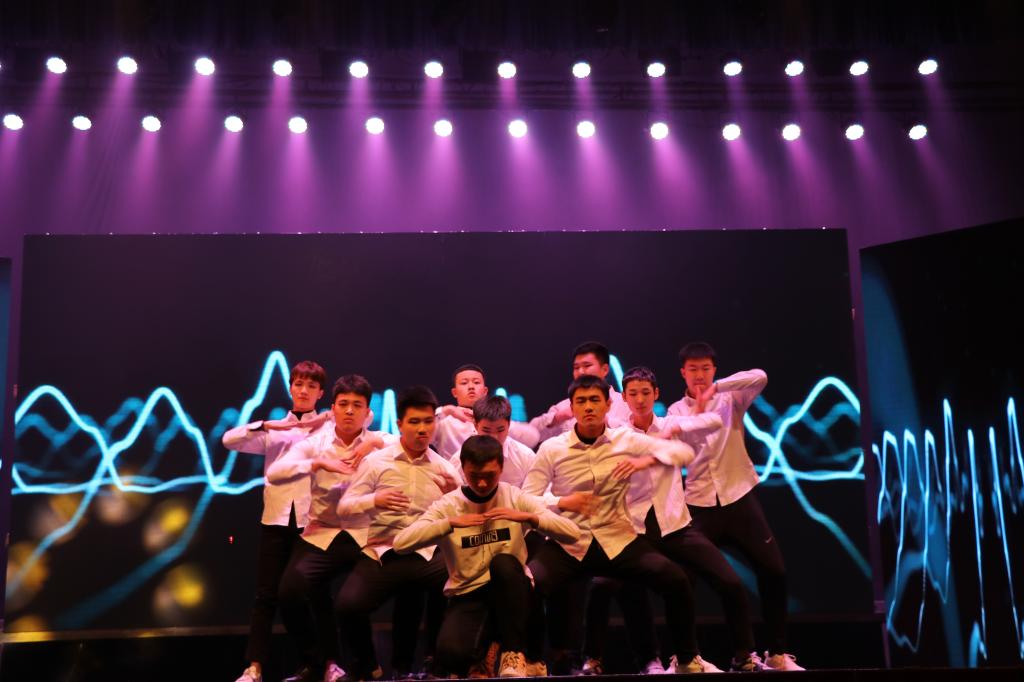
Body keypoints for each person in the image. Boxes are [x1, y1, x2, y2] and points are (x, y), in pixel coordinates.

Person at [523, 374, 722, 674]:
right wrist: (562, 502)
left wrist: (646, 460)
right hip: (569, 541)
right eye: (581, 401)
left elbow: (683, 453)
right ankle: (533, 661)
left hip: (616, 539)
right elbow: (527, 499)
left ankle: (685, 659)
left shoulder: (625, 439)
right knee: (528, 584)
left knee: (675, 579)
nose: (588, 407)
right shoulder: (553, 448)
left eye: (595, 400)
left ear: (608, 405)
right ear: (572, 408)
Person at [394, 435, 579, 677]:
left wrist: (530, 518)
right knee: (451, 655)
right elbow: (401, 543)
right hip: (469, 592)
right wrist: (449, 523)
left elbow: (572, 534)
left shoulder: (514, 497)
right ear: (463, 469)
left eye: (489, 476)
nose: (482, 483)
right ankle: (488, 650)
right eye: (474, 476)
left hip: (512, 589)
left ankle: (514, 653)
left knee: (503, 563)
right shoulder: (448, 505)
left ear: (501, 468)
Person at [667, 342, 803, 671]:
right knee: (682, 580)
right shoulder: (675, 411)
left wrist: (718, 387)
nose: (699, 375)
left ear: (714, 370)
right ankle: (685, 657)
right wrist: (694, 418)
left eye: (706, 368)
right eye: (693, 369)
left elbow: (760, 376)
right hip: (699, 503)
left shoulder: (731, 398)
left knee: (774, 571)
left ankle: (776, 654)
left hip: (739, 496)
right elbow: (674, 451)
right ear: (682, 373)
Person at [267, 375, 396, 682]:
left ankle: (365, 665)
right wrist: (316, 464)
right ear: (333, 409)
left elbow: (404, 443)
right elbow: (275, 472)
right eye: (343, 404)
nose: (349, 411)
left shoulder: (380, 440)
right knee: (289, 592)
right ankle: (315, 662)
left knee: (352, 602)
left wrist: (374, 442)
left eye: (357, 405)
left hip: (365, 535)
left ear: (368, 412)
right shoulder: (317, 444)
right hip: (322, 533)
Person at [335, 386, 461, 678]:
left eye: (428, 421)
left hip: (426, 553)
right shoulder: (377, 461)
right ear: (400, 424)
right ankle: (369, 667)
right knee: (348, 605)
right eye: (414, 422)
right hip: (384, 551)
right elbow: (344, 507)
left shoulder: (445, 469)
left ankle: (435, 665)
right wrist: (374, 500)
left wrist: (452, 496)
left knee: (458, 584)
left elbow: (461, 518)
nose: (422, 429)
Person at [222, 360, 331, 682]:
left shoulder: (327, 428)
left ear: (320, 393)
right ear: (290, 387)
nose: (304, 391)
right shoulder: (275, 429)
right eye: (299, 384)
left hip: (313, 521)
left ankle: (326, 663)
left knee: (316, 594)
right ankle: (254, 667)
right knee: (266, 595)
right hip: (276, 518)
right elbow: (229, 440)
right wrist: (268, 425)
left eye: (311, 386)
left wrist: (326, 418)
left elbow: (364, 420)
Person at [528, 342, 631, 443]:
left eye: (587, 366)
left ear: (605, 369)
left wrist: (605, 421)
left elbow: (635, 435)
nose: (580, 372)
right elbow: (531, 435)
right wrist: (558, 417)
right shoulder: (564, 406)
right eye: (576, 367)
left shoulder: (625, 403)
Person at [433, 364, 540, 459]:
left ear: (485, 391)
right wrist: (446, 410)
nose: (471, 387)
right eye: (464, 383)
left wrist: (498, 424)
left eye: (476, 382)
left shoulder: (497, 419)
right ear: (454, 392)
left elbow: (533, 437)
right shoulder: (445, 422)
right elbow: (423, 431)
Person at [442, 395, 536, 488]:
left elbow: (537, 493)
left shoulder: (525, 457)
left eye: (500, 430)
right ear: (475, 425)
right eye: (486, 431)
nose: (494, 437)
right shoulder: (459, 460)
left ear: (509, 425)